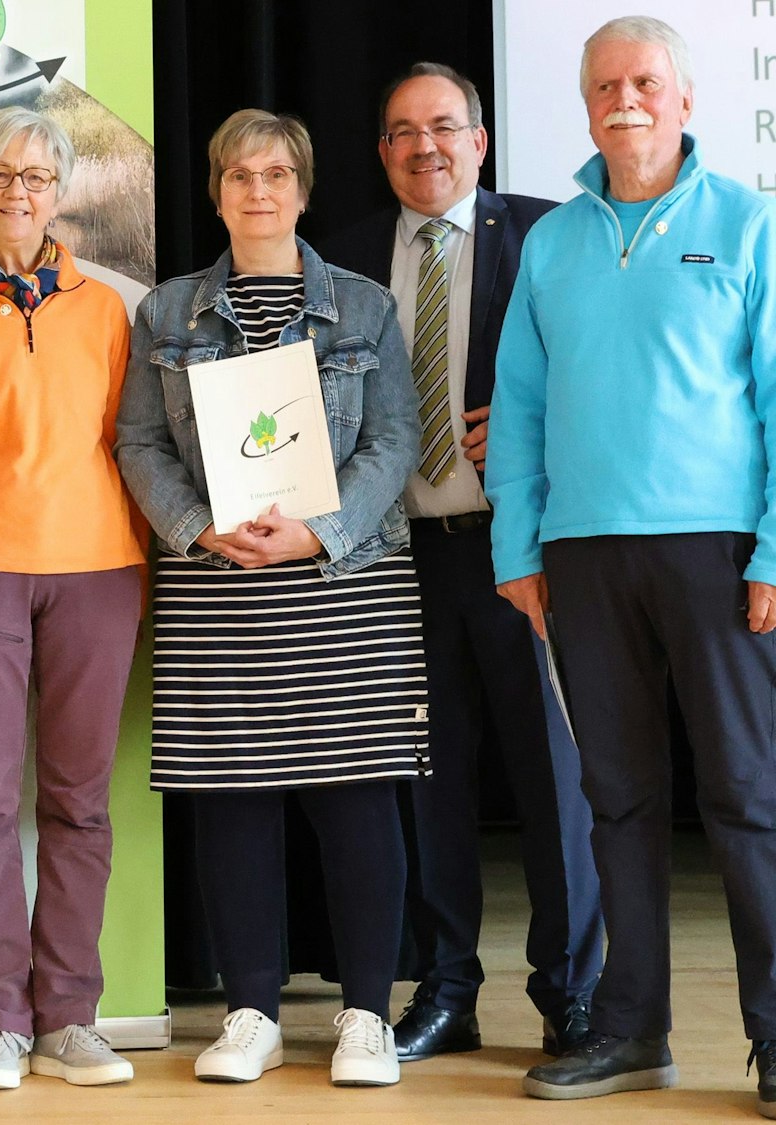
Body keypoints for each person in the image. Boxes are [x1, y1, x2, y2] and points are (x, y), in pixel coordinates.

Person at [488, 16, 776, 1110]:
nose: (626, 99)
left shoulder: (745, 226)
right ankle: (630, 1032)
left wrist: (768, 553)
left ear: (685, 99)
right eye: (605, 83)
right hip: (580, 557)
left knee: (747, 797)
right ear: (584, 103)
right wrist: (519, 548)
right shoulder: (552, 242)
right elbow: (513, 409)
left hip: (716, 553)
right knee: (615, 802)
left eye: (645, 81)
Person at [114, 108, 425, 1089]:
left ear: (301, 188)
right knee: (231, 803)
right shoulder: (165, 313)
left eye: (276, 175)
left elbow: (392, 444)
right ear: (214, 192)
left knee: (355, 803)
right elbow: (137, 445)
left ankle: (365, 1016)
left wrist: (317, 532)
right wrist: (196, 527)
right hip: (216, 584)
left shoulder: (365, 308)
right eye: (238, 175)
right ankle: (247, 1012)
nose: (258, 191)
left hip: (346, 586)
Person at [317, 62, 601, 1063]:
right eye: (401, 131)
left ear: (478, 141)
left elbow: (604, 372)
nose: (423, 146)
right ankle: (445, 991)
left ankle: (571, 994)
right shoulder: (342, 259)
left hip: (520, 551)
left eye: (443, 127)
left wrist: (536, 428)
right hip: (400, 561)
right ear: (381, 151)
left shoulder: (546, 234)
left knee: (552, 782)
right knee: (425, 783)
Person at [0, 107, 146, 1092]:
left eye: (37, 178)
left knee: (76, 804)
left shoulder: (107, 310)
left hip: (97, 571)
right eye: (0, 175)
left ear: (59, 195)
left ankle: (67, 1015)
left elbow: (133, 446)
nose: (18, 193)